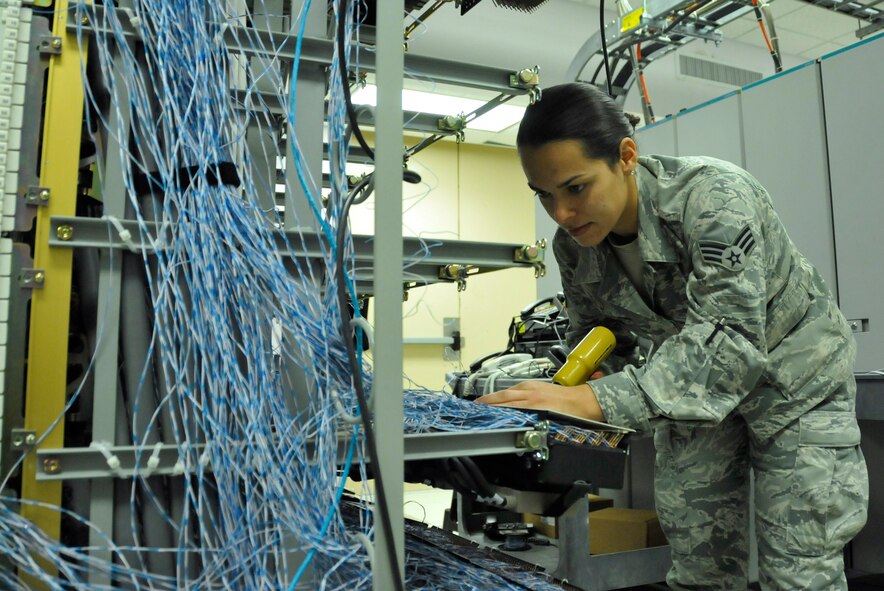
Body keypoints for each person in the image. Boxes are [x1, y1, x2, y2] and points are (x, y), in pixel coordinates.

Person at [477, 82, 868, 590]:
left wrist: (593, 401)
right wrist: (561, 385)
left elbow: (730, 342)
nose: (562, 214)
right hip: (694, 392)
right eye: (544, 196)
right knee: (698, 561)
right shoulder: (574, 248)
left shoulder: (714, 199)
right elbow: (603, 338)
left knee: (799, 570)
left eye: (575, 187)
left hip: (795, 382)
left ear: (626, 156)